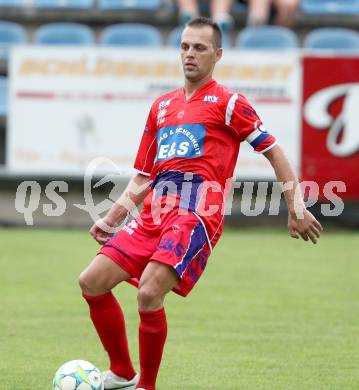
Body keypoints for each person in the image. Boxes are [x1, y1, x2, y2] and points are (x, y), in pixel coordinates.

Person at [79, 17, 322, 390]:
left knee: (148, 291)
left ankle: (147, 386)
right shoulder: (162, 106)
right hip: (154, 213)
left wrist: (296, 206)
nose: (190, 55)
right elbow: (146, 175)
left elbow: (273, 151)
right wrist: (113, 217)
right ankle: (123, 374)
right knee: (92, 281)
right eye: (185, 47)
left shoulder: (229, 103)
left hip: (196, 213)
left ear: (218, 54)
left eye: (200, 48)